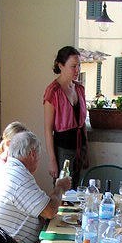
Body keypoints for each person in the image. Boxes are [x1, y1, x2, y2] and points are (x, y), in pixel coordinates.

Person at [0, 130, 71, 243]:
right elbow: (50, 211)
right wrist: (60, 187)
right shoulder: (18, 177)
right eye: (38, 158)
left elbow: (41, 206)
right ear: (32, 154)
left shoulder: (7, 169)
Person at [43, 46, 88, 188]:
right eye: (73, 66)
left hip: (80, 147)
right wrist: (52, 160)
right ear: (60, 66)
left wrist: (86, 150)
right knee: (62, 191)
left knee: (78, 189)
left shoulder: (79, 89)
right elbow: (48, 129)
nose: (77, 70)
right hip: (62, 149)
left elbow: (83, 124)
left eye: (79, 65)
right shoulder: (53, 92)